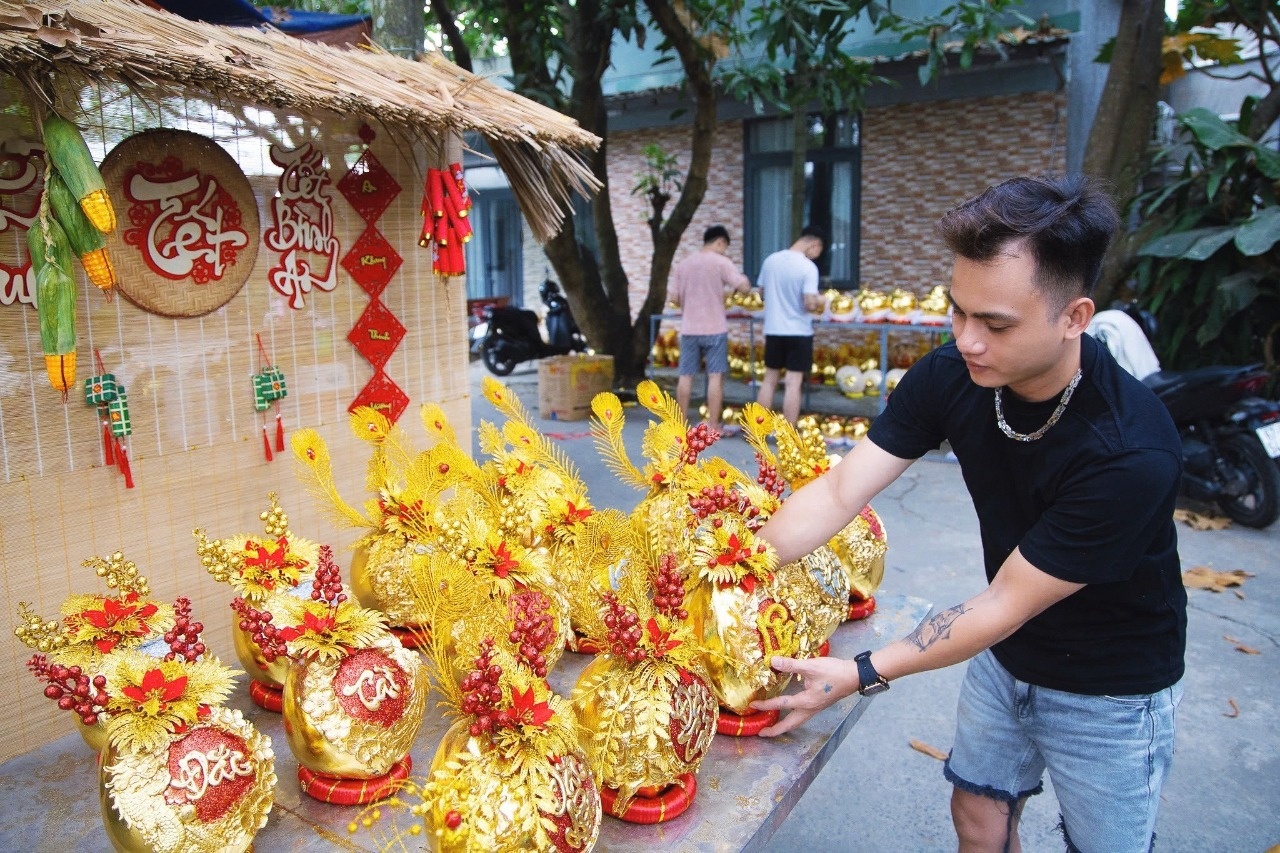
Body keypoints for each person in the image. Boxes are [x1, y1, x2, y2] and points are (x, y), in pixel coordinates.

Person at [752, 176, 1186, 853]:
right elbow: (841, 491)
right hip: (1007, 657)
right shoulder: (952, 373)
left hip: (1112, 687)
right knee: (978, 822)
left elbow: (1004, 601)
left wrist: (863, 669)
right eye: (958, 312)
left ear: (1074, 316)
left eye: (995, 323)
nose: (968, 340)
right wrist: (733, 563)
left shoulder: (1130, 449)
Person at [668, 225, 752, 433]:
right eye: (725, 246)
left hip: (689, 329)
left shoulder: (684, 264)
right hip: (715, 329)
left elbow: (673, 298)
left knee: (685, 375)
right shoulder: (721, 262)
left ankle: (679, 425)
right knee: (715, 376)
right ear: (720, 242)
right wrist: (744, 283)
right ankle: (714, 425)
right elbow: (743, 286)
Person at [754, 226, 826, 424]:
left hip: (774, 329)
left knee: (769, 380)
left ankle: (757, 432)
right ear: (814, 245)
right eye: (817, 252)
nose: (815, 256)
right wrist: (822, 300)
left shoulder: (771, 260)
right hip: (798, 332)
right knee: (793, 383)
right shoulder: (808, 267)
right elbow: (809, 303)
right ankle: (789, 435)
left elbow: (761, 293)